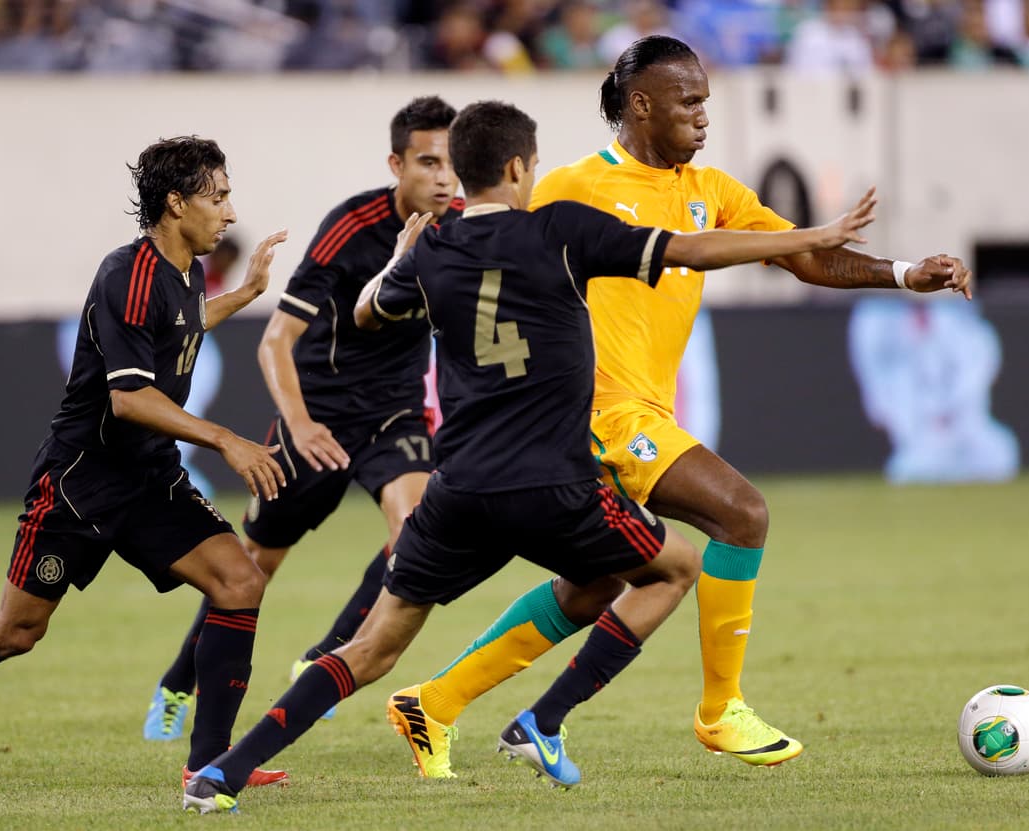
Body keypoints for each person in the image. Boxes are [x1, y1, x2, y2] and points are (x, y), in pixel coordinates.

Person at [180, 99, 881, 812]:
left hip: (458, 491)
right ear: (518, 168)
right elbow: (689, 249)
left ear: (464, 170)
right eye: (534, 164)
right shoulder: (561, 229)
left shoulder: (430, 247)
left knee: (370, 648)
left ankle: (221, 774)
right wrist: (815, 235)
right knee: (675, 568)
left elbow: (363, 313)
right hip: (557, 485)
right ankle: (542, 718)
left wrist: (395, 261)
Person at [389, 34, 973, 779]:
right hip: (596, 411)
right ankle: (720, 707)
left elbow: (801, 254)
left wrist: (902, 271)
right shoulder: (570, 187)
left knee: (599, 582)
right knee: (741, 513)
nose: (703, 115)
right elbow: (486, 249)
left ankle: (440, 701)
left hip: (639, 412)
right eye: (688, 101)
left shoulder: (713, 188)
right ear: (641, 105)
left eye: (705, 101)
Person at [0, 136, 291, 789]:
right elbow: (127, 397)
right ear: (176, 204)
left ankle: (209, 766)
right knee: (16, 630)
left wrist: (248, 292)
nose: (230, 213)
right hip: (80, 482)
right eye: (218, 196)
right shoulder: (126, 273)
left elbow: (181, 328)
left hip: (149, 476)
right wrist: (226, 438)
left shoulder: (188, 269)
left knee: (239, 582)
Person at [141, 97, 463, 744]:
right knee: (251, 568)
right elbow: (275, 342)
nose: (444, 178)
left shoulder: (462, 225)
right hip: (317, 408)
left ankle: (327, 654)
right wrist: (301, 424)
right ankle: (179, 681)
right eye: (428, 162)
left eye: (453, 164)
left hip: (395, 407)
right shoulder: (350, 227)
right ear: (397, 164)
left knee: (418, 531)